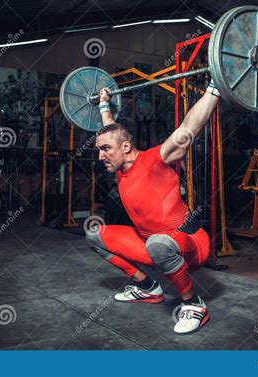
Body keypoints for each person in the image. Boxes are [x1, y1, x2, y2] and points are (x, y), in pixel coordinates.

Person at [86, 78, 221, 334]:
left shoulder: (157, 160)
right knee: (94, 234)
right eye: (99, 150)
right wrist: (104, 105)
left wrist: (215, 89)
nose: (100, 155)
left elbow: (187, 130)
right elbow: (111, 131)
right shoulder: (119, 161)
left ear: (125, 147)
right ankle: (147, 288)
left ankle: (194, 304)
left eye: (104, 150)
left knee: (157, 244)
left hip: (190, 244)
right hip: (151, 243)